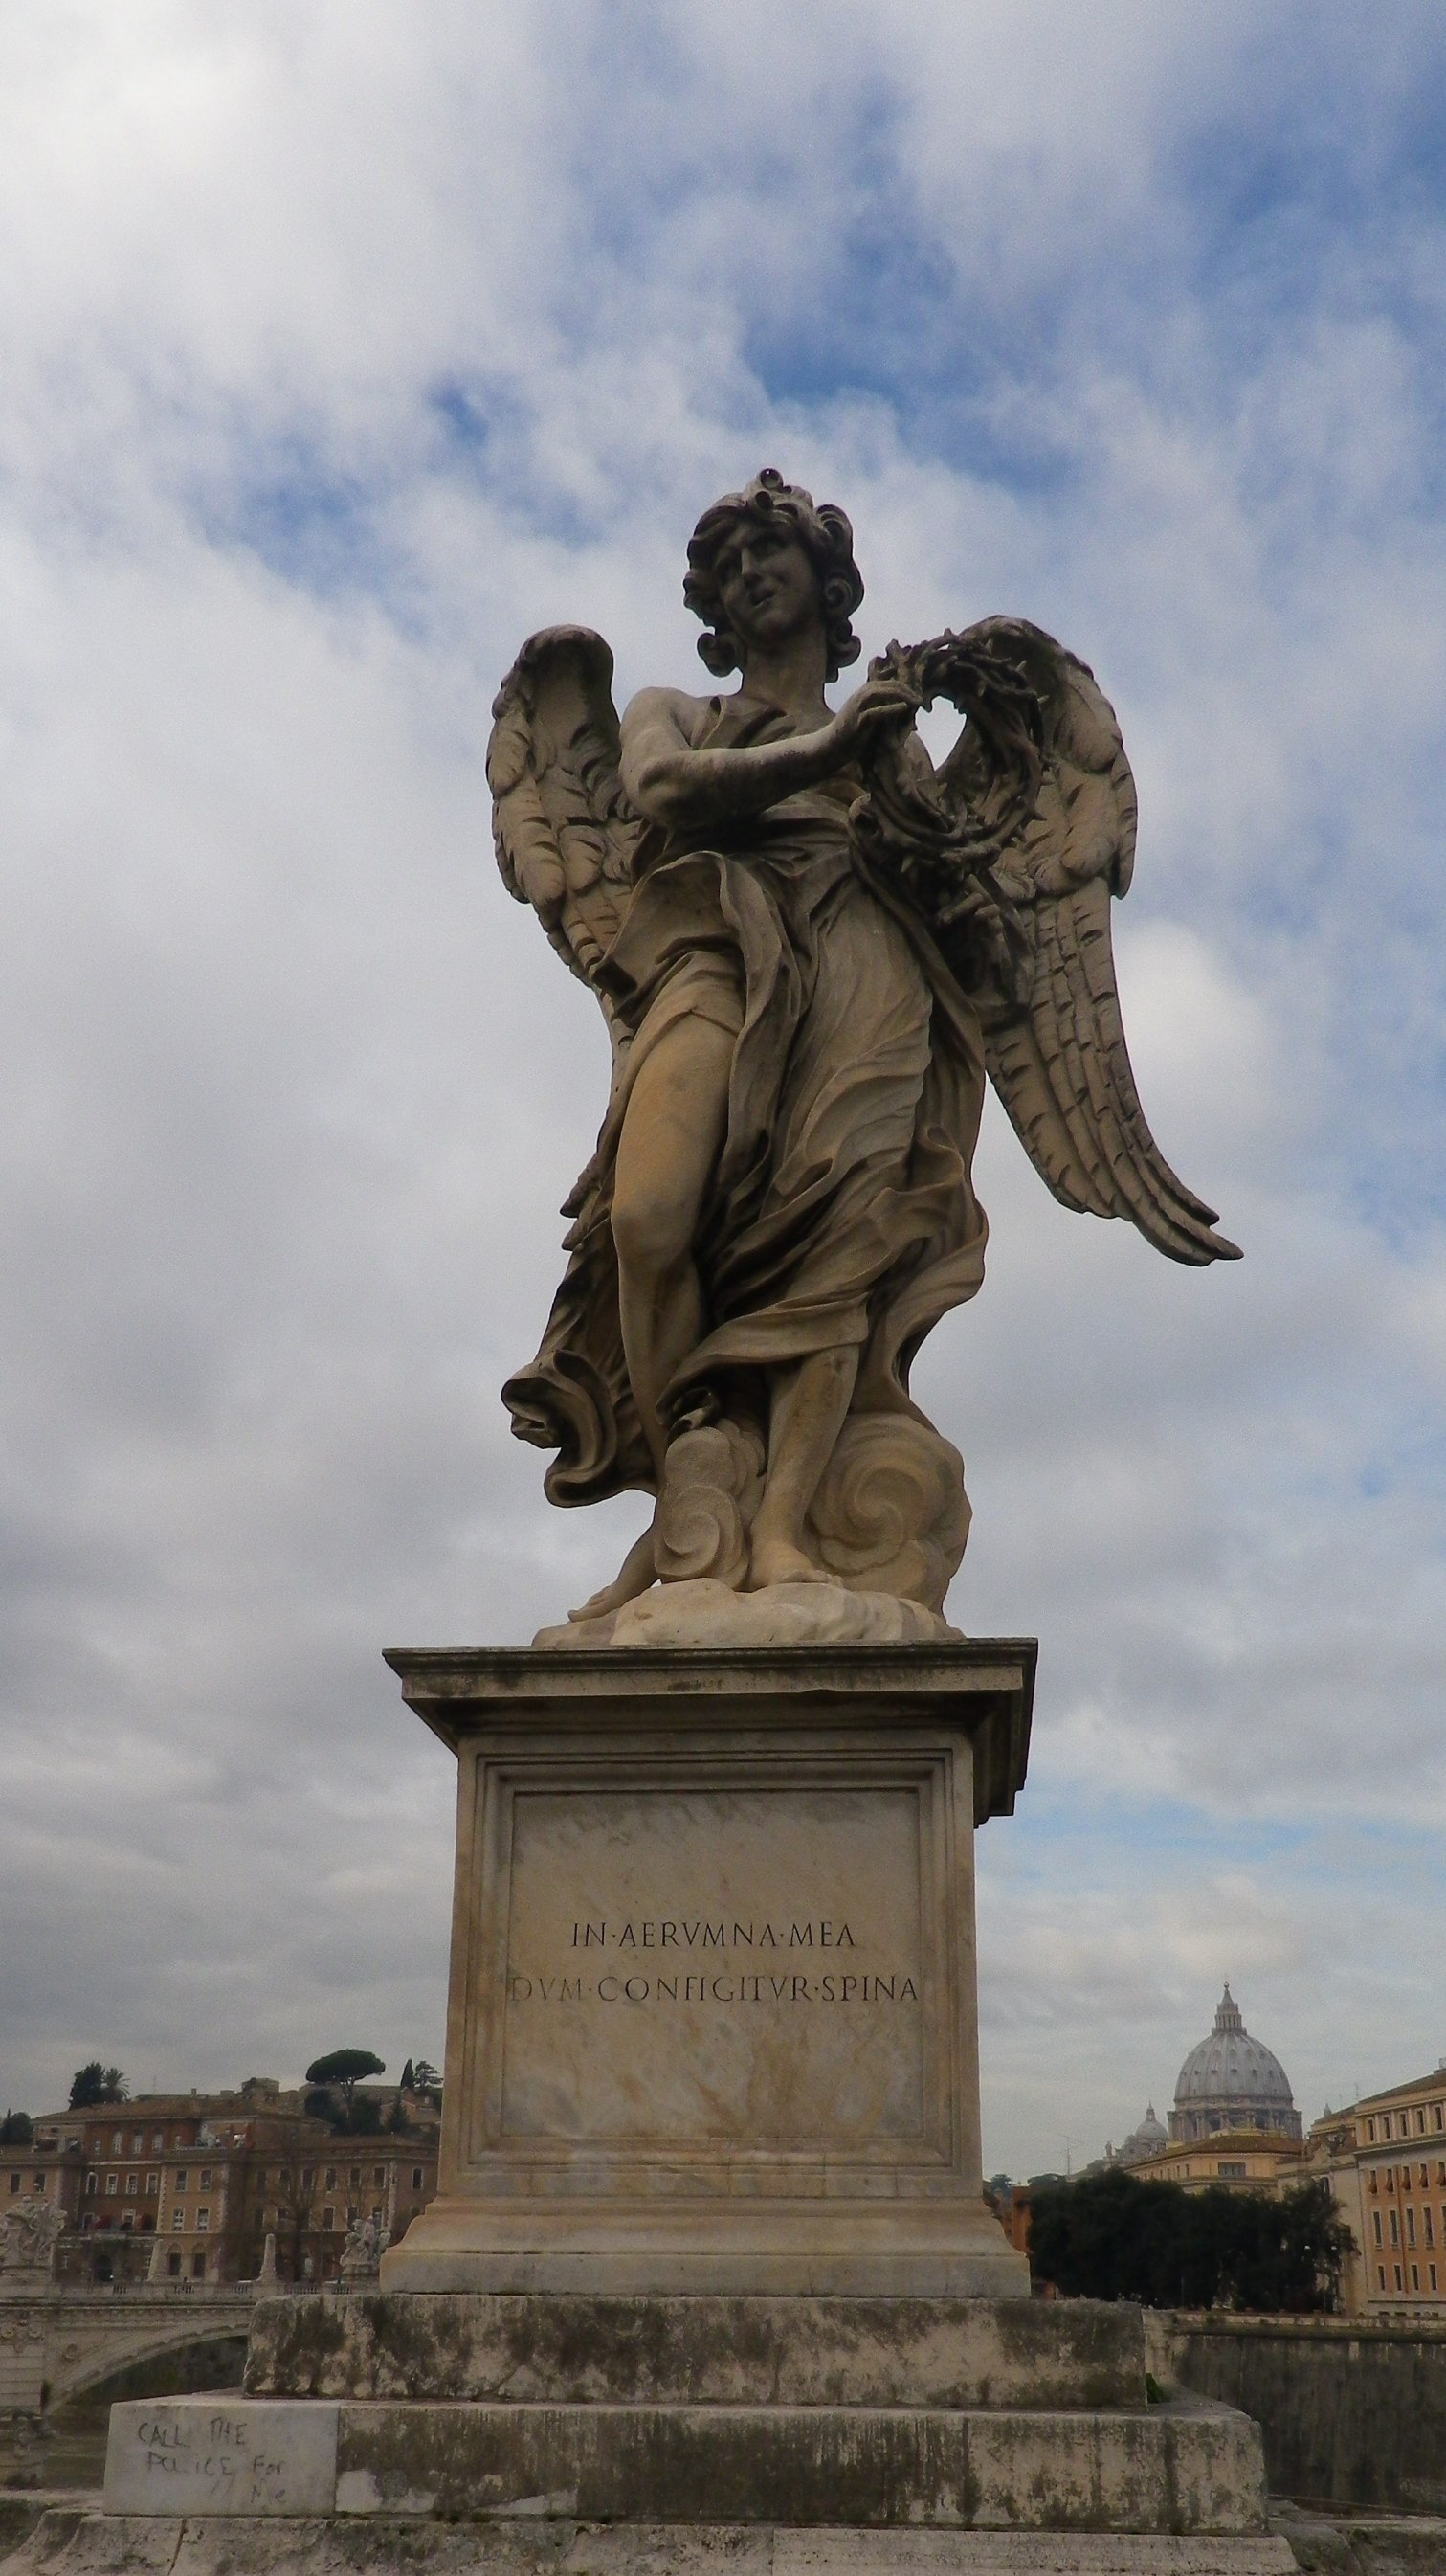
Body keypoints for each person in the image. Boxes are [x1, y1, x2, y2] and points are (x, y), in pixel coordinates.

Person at [504, 471, 990, 1620]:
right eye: (725, 568)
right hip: (713, 946)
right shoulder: (675, 709)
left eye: (768, 553)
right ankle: (691, 1501)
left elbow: (955, 907)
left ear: (826, 585)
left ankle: (775, 1527)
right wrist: (830, 757)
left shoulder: (887, 736)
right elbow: (664, 792)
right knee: (648, 1217)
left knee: (843, 1236)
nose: (746, 576)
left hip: (862, 965)